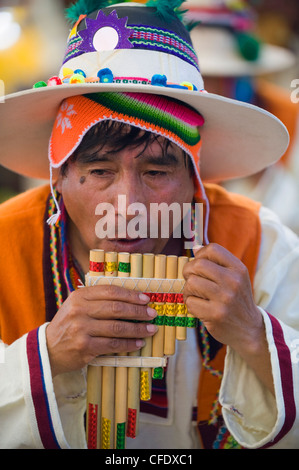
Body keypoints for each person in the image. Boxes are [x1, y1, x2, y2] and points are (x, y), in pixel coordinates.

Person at [0, 0, 298, 450]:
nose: (127, 204)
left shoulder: (261, 240)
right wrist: (45, 357)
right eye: (100, 172)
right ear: (58, 174)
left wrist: (255, 336)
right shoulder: (4, 243)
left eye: (157, 173)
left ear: (194, 179)